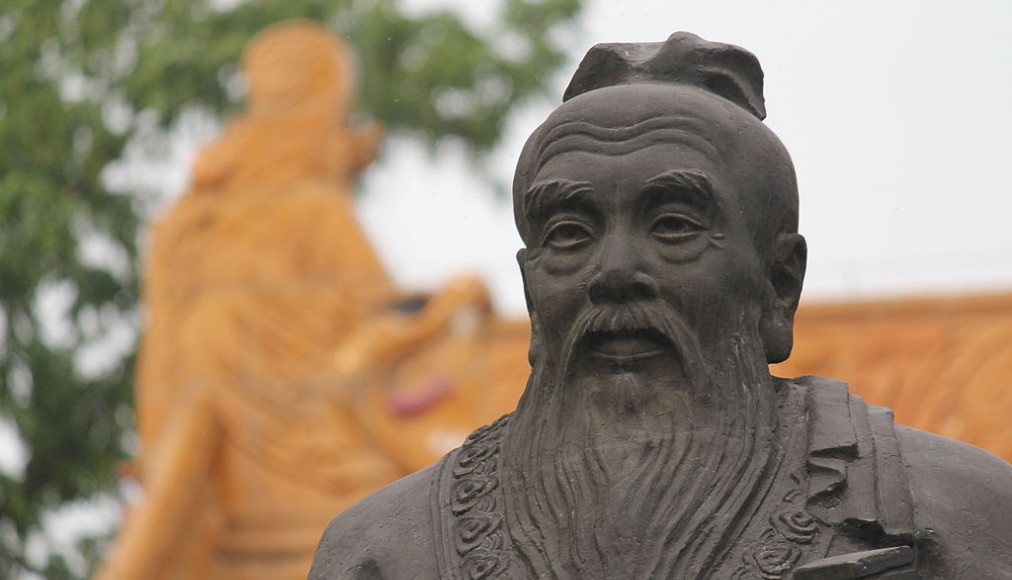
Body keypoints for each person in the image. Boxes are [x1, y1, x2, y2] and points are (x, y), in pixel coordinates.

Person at [308, 32, 1012, 580]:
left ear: (779, 285)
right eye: (570, 234)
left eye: (672, 225)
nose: (613, 274)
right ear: (530, 290)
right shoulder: (381, 551)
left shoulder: (955, 511)